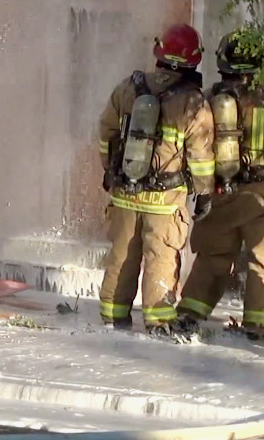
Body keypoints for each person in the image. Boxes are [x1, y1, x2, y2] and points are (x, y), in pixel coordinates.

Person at [168, 30, 264, 343]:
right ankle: (259, 325)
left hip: (220, 194)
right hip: (261, 197)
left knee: (212, 258)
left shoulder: (207, 99)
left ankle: (190, 314)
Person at [96, 23, 215, 335]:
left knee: (122, 255)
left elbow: (106, 133)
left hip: (125, 193)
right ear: (194, 60)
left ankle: (112, 316)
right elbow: (201, 157)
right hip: (165, 200)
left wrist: (111, 171)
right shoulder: (193, 104)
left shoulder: (127, 89)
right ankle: (159, 321)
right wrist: (203, 194)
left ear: (159, 53)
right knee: (160, 258)